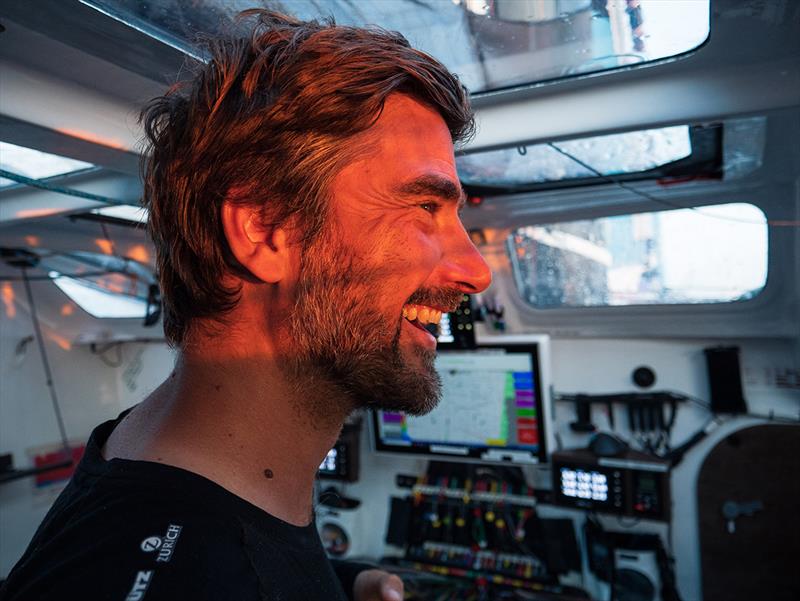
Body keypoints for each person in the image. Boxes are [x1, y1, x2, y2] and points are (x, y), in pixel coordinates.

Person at [0, 9, 491, 601]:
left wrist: (347, 583)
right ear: (264, 232)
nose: (477, 272)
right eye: (424, 209)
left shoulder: (147, 450)